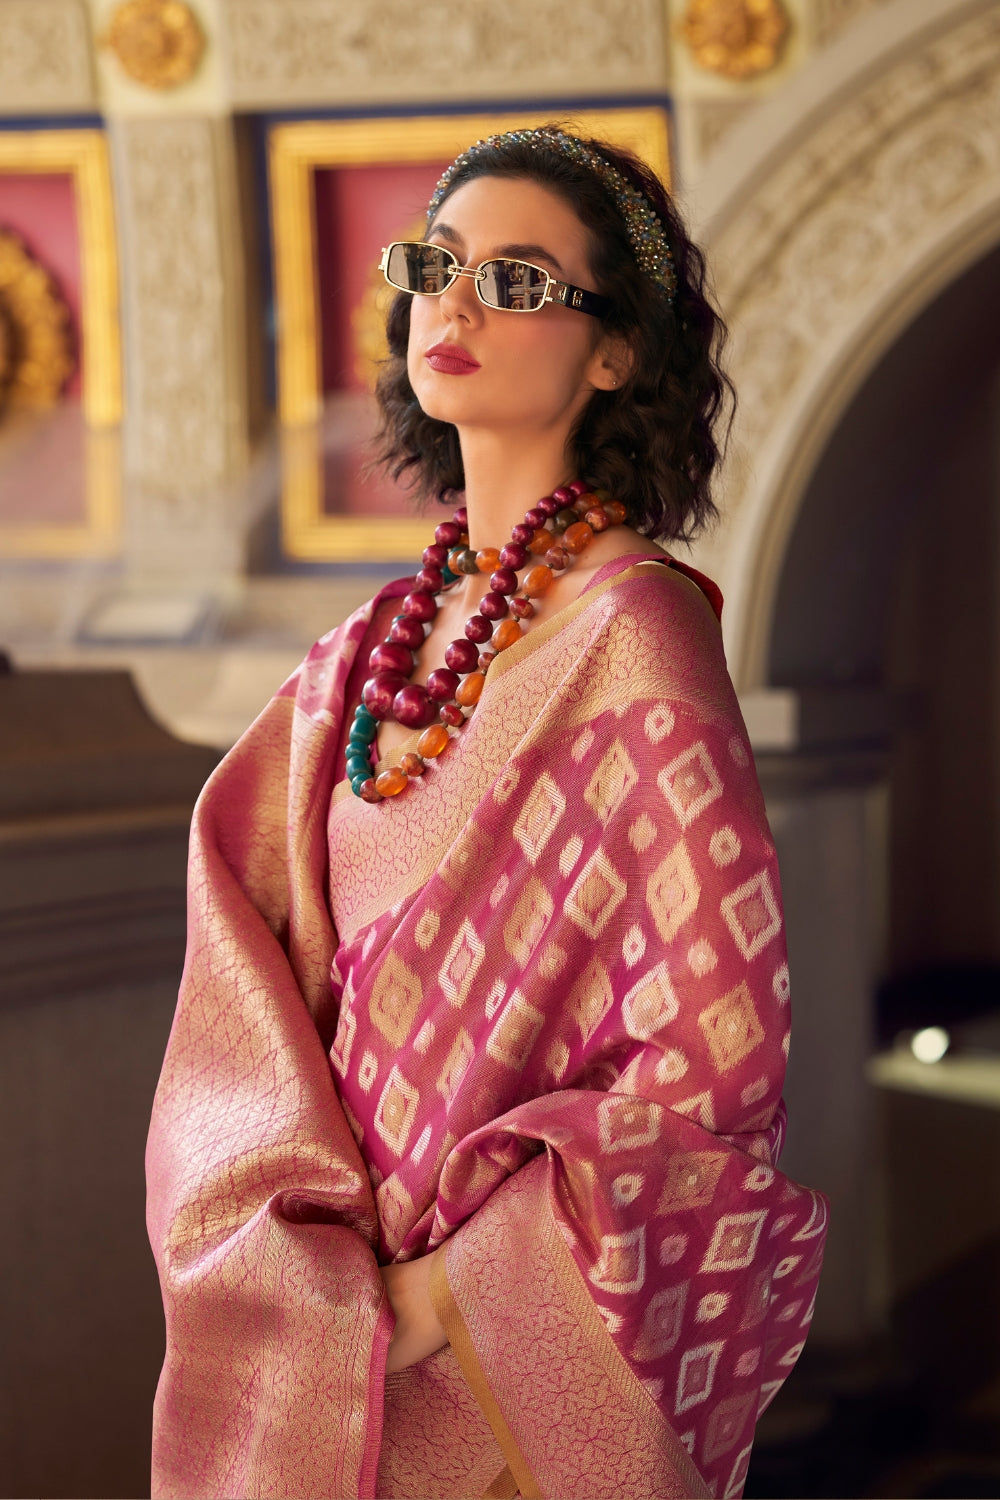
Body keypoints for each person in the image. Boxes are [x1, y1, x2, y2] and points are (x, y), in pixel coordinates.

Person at [147, 125, 827, 1500]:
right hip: (330, 1322)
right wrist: (301, 1268)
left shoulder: (635, 640)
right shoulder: (369, 652)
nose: (453, 305)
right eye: (436, 267)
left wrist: (438, 1302)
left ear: (613, 350)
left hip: (500, 1360)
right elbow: (243, 973)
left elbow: (714, 1060)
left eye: (518, 281)